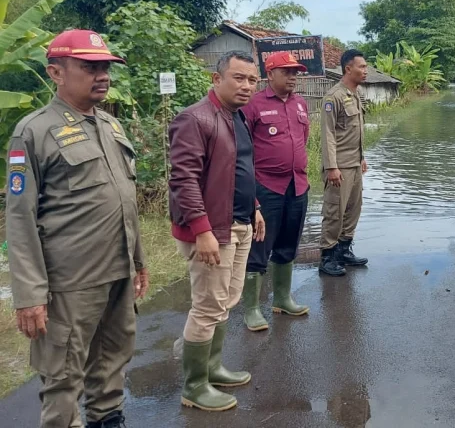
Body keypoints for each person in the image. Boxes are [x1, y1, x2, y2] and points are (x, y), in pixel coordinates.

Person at [5, 29, 147, 428]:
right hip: (70, 281)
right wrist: (30, 294)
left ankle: (107, 418)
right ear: (56, 72)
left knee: (114, 357)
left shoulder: (109, 126)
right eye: (89, 67)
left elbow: (125, 201)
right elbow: (19, 219)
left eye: (105, 67)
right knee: (64, 374)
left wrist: (139, 260)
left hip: (117, 270)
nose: (102, 75)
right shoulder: (33, 132)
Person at [168, 51, 266, 412]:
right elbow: (183, 179)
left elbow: (239, 168)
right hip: (212, 229)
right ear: (216, 78)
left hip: (239, 222)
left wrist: (254, 208)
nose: (246, 86)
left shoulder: (237, 117)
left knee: (228, 299)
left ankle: (211, 367)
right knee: (209, 306)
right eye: (238, 78)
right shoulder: (195, 118)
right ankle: (194, 386)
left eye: (252, 80)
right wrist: (202, 230)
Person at [240, 51, 312, 332]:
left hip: (298, 185)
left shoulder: (301, 104)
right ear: (270, 74)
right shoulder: (253, 106)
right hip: (266, 186)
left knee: (288, 243)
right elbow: (242, 152)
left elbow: (303, 140)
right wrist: (252, 195)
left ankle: (282, 298)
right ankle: (252, 309)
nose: (293, 76)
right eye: (287, 71)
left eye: (296, 71)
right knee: (259, 247)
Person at [318, 50, 370, 277]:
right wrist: (331, 167)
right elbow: (328, 134)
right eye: (362, 67)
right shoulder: (334, 97)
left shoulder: (355, 94)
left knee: (352, 210)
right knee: (334, 212)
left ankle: (343, 250)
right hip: (338, 166)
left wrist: (362, 157)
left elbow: (354, 131)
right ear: (348, 69)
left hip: (354, 164)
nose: (366, 71)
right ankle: (327, 257)